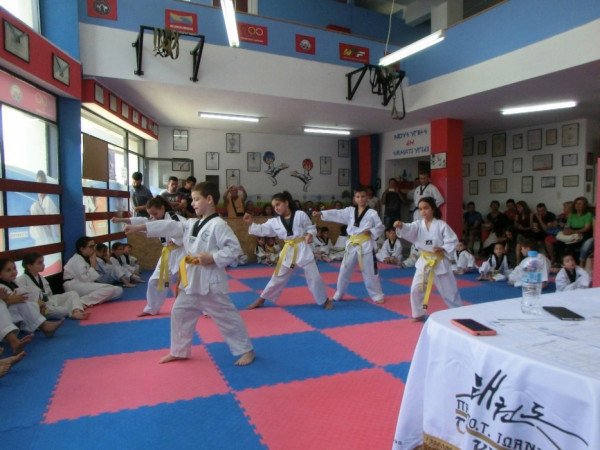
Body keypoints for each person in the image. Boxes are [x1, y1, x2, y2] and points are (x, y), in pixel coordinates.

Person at [125, 181, 255, 366]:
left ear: (209, 199)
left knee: (227, 317)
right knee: (179, 313)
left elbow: (234, 250)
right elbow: (168, 226)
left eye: (196, 199)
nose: (192, 203)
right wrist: (139, 227)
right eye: (192, 200)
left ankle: (246, 350)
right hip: (191, 280)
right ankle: (179, 351)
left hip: (210, 283)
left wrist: (212, 257)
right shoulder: (191, 223)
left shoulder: (219, 225)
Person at [244, 191, 332, 310]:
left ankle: (324, 300)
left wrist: (310, 234)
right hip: (288, 250)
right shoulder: (275, 221)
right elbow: (262, 229)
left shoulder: (300, 214)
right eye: (274, 206)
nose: (276, 208)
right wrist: (251, 223)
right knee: (277, 277)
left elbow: (310, 227)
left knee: (314, 277)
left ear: (286, 203)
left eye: (278, 204)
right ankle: (262, 299)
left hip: (302, 248)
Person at [112, 196, 186, 316]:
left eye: (155, 213)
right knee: (154, 281)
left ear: (162, 208)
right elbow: (144, 221)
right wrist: (122, 219)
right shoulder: (158, 218)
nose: (153, 217)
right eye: (151, 214)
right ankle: (151, 308)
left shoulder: (174, 218)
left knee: (191, 283)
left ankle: (207, 309)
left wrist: (177, 241)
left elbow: (173, 229)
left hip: (182, 253)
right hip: (168, 254)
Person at [394, 197, 462, 321]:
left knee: (450, 292)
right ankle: (418, 314)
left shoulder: (441, 225)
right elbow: (409, 228)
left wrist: (442, 248)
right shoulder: (418, 224)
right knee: (416, 289)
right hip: (425, 261)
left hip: (439, 261)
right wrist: (401, 225)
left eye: (426, 208)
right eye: (420, 209)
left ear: (433, 209)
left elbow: (452, 240)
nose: (423, 211)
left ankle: (458, 313)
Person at [315, 185, 385, 304]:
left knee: (370, 271)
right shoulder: (350, 211)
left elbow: (380, 227)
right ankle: (339, 293)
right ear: (354, 198)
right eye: (358, 196)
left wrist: (371, 231)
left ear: (367, 197)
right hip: (352, 244)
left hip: (365, 244)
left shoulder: (372, 213)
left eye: (363, 196)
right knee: (344, 270)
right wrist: (322, 213)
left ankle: (377, 295)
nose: (360, 199)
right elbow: (337, 213)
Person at [0, 258, 64, 337]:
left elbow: (28, 293)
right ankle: (44, 326)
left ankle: (43, 324)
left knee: (32, 293)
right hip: (8, 319)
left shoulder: (14, 282)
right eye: (8, 270)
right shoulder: (1, 287)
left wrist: (38, 301)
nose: (13, 272)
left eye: (14, 268)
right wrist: (8, 300)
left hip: (21, 314)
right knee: (23, 303)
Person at [17, 253, 89, 320]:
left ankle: (76, 311)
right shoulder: (21, 280)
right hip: (39, 307)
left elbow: (49, 295)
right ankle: (74, 311)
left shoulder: (41, 278)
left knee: (72, 293)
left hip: (49, 301)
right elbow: (24, 300)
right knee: (62, 310)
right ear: (29, 266)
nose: (43, 265)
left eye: (43, 262)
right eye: (40, 263)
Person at [63, 237, 123, 306]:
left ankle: (85, 300)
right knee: (110, 289)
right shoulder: (77, 259)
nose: (93, 249)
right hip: (73, 285)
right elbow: (85, 279)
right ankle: (81, 302)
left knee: (118, 290)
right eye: (91, 246)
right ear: (82, 249)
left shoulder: (86, 258)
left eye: (94, 246)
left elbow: (89, 279)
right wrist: (93, 265)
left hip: (83, 284)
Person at [29, 170, 60, 246]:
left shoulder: (48, 202)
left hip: (48, 240)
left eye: (41, 183)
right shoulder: (37, 204)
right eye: (38, 184)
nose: (39, 187)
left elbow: (56, 227)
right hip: (40, 241)